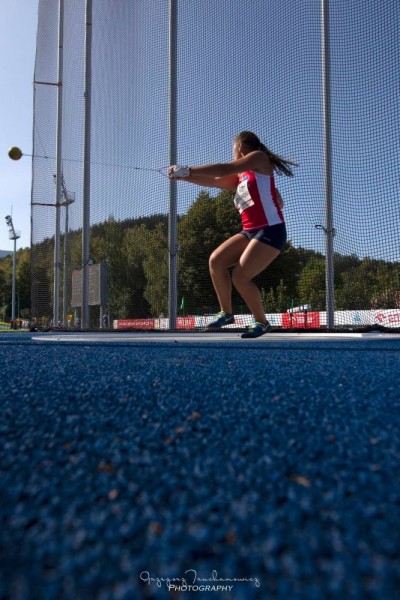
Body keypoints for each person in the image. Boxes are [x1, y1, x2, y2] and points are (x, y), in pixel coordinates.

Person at [169, 130, 296, 338]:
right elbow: (217, 180)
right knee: (216, 261)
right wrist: (185, 177)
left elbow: (225, 168)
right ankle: (227, 313)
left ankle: (262, 322)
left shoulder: (258, 158)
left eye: (232, 149)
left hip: (271, 229)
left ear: (239, 148)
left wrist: (187, 169)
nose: (232, 153)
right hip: (250, 231)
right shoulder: (241, 177)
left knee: (240, 276)